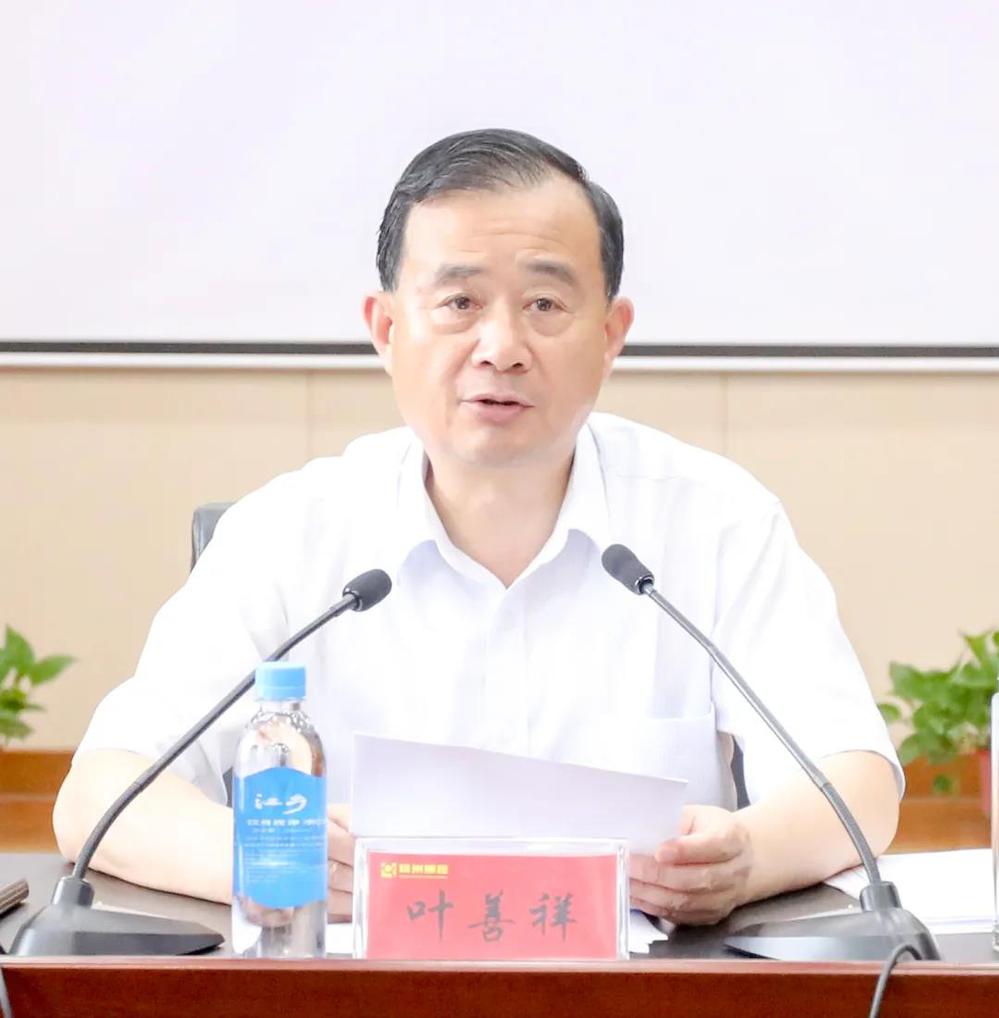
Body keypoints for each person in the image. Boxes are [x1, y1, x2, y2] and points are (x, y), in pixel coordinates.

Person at [54, 129, 900, 927]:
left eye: (544, 303)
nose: (501, 346)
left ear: (610, 335)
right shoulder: (288, 534)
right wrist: (267, 859)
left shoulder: (714, 520)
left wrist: (746, 857)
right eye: (459, 302)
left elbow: (854, 779)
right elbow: (102, 794)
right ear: (387, 330)